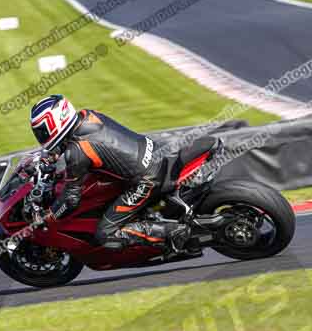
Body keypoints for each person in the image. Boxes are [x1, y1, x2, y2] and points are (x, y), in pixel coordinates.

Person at [24, 94, 189, 251]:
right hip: (156, 152)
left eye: (42, 131)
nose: (41, 136)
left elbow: (70, 200)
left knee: (106, 234)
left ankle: (174, 232)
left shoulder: (77, 151)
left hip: (147, 180)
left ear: (54, 124)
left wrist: (48, 217)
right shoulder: (87, 116)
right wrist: (51, 157)